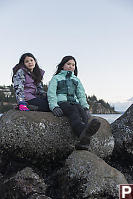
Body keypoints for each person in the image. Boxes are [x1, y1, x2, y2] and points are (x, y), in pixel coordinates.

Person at [47, 56, 101, 149]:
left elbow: (81, 94)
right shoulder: (56, 78)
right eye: (68, 64)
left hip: (75, 102)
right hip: (62, 102)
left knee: (83, 113)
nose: (71, 66)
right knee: (73, 111)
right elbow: (51, 93)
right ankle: (82, 133)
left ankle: (83, 141)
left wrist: (85, 107)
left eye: (73, 65)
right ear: (62, 66)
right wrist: (54, 106)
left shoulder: (76, 79)